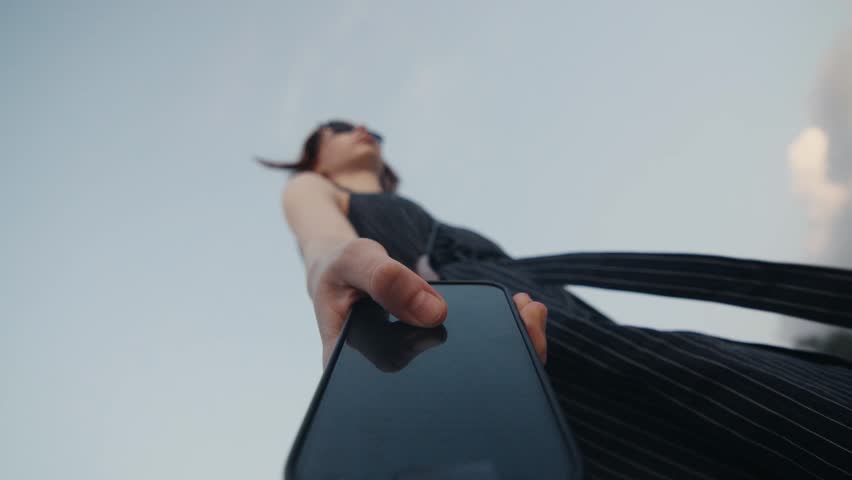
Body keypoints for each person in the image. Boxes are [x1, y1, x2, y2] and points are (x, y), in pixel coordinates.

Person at [261, 119, 852, 480]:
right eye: (338, 127)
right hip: (475, 353)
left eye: (367, 127)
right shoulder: (312, 186)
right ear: (313, 155)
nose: (362, 127)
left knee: (741, 394)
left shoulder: (418, 213)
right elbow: (320, 240)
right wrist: (326, 266)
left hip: (544, 314)